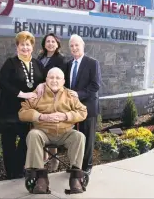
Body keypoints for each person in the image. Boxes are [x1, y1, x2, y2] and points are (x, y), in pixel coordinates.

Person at [19, 67, 87, 194]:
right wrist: (41, 116)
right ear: (46, 80)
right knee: (33, 134)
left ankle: (76, 178)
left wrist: (66, 116)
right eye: (51, 77)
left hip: (65, 132)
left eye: (58, 78)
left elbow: (83, 112)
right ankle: (40, 178)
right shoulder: (37, 93)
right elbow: (22, 113)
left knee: (79, 136)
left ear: (63, 81)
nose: (54, 80)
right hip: (43, 132)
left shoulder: (70, 95)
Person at [0, 31, 45, 179]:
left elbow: (44, 78)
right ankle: (11, 172)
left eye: (28, 45)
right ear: (17, 47)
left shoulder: (37, 63)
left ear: (32, 47)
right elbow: (2, 83)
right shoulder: (10, 63)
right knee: (9, 142)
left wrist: (42, 85)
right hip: (9, 109)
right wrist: (22, 94)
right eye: (22, 44)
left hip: (27, 110)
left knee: (26, 139)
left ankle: (18, 168)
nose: (25, 48)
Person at [65, 34, 101, 175]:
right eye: (72, 46)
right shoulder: (68, 64)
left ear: (82, 46)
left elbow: (95, 85)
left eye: (77, 45)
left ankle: (86, 167)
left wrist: (79, 94)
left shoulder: (92, 63)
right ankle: (75, 165)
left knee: (87, 138)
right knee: (75, 139)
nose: (74, 48)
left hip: (88, 107)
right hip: (72, 109)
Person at [37, 33, 67, 171]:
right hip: (39, 96)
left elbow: (60, 80)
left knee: (51, 127)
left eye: (53, 41)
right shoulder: (40, 57)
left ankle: (54, 159)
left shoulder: (60, 59)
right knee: (41, 125)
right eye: (48, 41)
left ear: (57, 44)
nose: (50, 44)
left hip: (52, 97)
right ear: (44, 43)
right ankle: (43, 157)